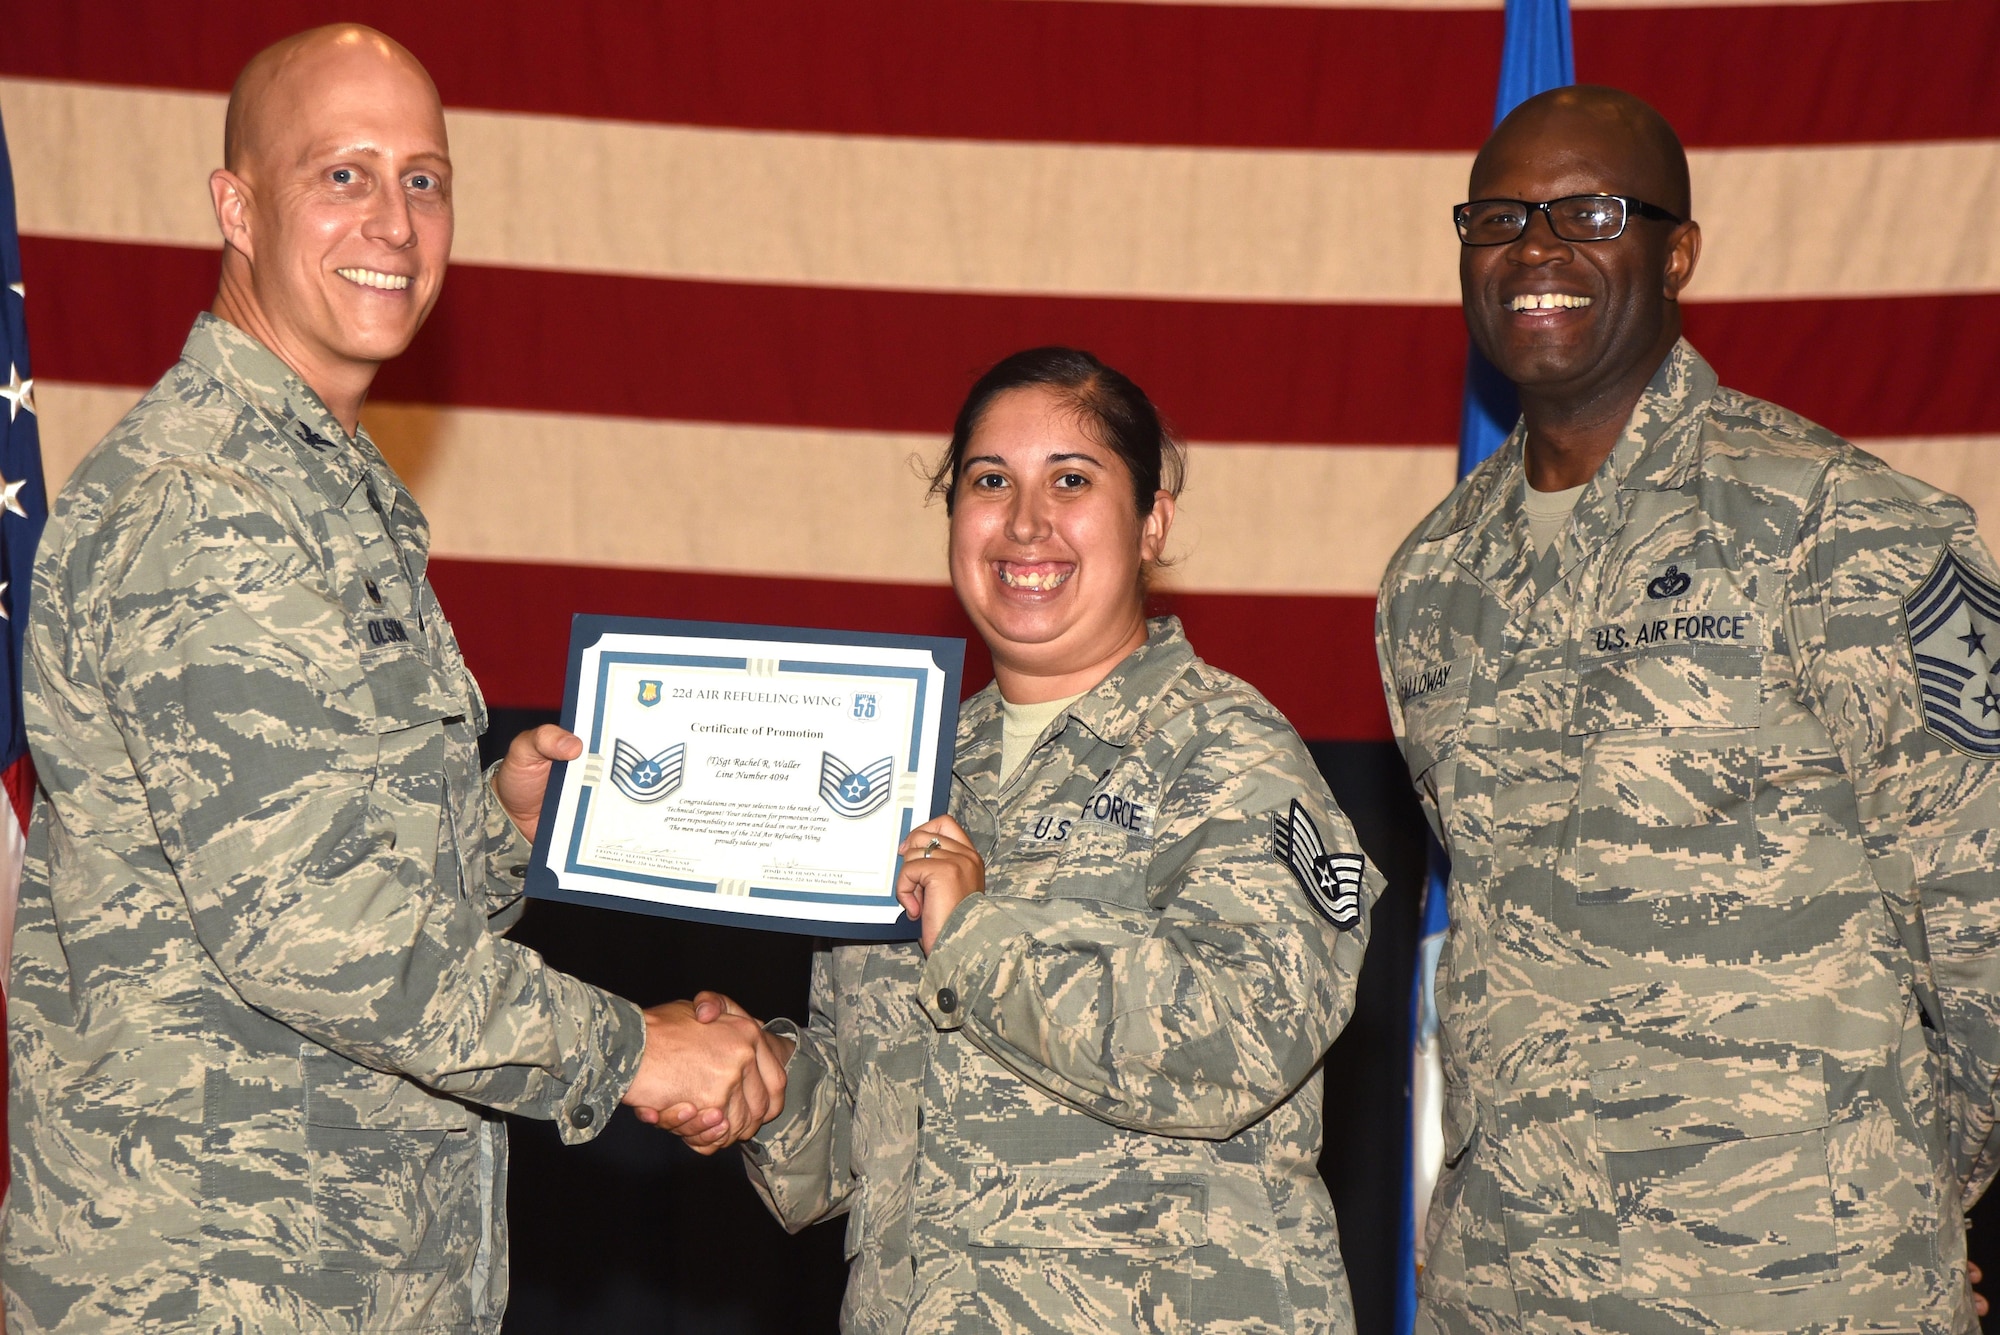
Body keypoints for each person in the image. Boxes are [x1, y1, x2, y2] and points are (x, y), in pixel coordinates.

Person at [3, 25, 787, 1333]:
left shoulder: (328, 494)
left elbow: (323, 869)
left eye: (424, 178)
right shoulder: (211, 509)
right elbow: (320, 939)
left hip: (346, 1274)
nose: (395, 220)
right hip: (212, 1281)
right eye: (342, 174)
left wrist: (503, 825)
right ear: (237, 206)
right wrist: (636, 1049)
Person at [1377, 84, 2000, 1334]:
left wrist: (1914, 1193)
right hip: (1512, 1277)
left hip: (1795, 1273)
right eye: (1498, 217)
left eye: (1587, 212)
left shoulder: (1841, 528)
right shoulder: (1430, 579)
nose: (1535, 249)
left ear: (1676, 255)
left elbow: (1982, 908)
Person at [666, 347, 1381, 1332]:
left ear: (1152, 523)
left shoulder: (1226, 751)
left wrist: (975, 935)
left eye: (1071, 482)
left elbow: (1243, 1036)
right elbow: (858, 1151)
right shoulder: (899, 768)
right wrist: (761, 1088)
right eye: (988, 481)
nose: (1024, 523)